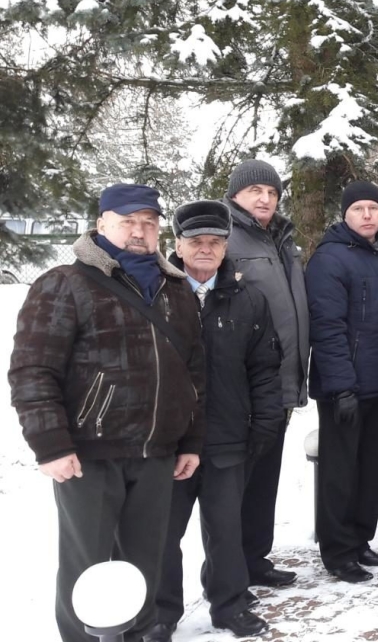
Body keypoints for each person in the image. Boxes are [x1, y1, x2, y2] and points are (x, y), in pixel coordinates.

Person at [9, 183, 205, 642]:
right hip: (88, 455)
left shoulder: (177, 290)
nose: (139, 231)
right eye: (127, 221)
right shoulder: (65, 283)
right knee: (87, 569)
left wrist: (190, 440)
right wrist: (51, 444)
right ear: (101, 224)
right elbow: (32, 369)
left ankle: (135, 636)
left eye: (149, 222)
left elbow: (195, 373)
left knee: (145, 563)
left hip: (156, 453)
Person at [149, 200, 283, 641]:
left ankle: (229, 604)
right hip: (170, 442)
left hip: (228, 437)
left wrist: (266, 421)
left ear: (226, 248)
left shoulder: (249, 299)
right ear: (178, 245)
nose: (205, 249)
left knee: (226, 529)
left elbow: (265, 368)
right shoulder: (156, 296)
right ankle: (161, 612)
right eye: (196, 242)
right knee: (163, 533)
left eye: (214, 242)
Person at [305, 181, 378, 583]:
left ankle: (360, 540)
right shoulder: (329, 259)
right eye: (358, 208)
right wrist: (341, 387)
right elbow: (327, 328)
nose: (367, 215)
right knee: (340, 473)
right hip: (344, 388)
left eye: (373, 208)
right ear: (345, 214)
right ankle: (338, 552)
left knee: (372, 470)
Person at [224, 158, 309, 588]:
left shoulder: (281, 238)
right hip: (244, 388)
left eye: (272, 192)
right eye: (255, 191)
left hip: (280, 383)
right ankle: (228, 572)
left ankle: (255, 559)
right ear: (235, 195)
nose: (265, 199)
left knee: (264, 481)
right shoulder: (226, 237)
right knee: (234, 487)